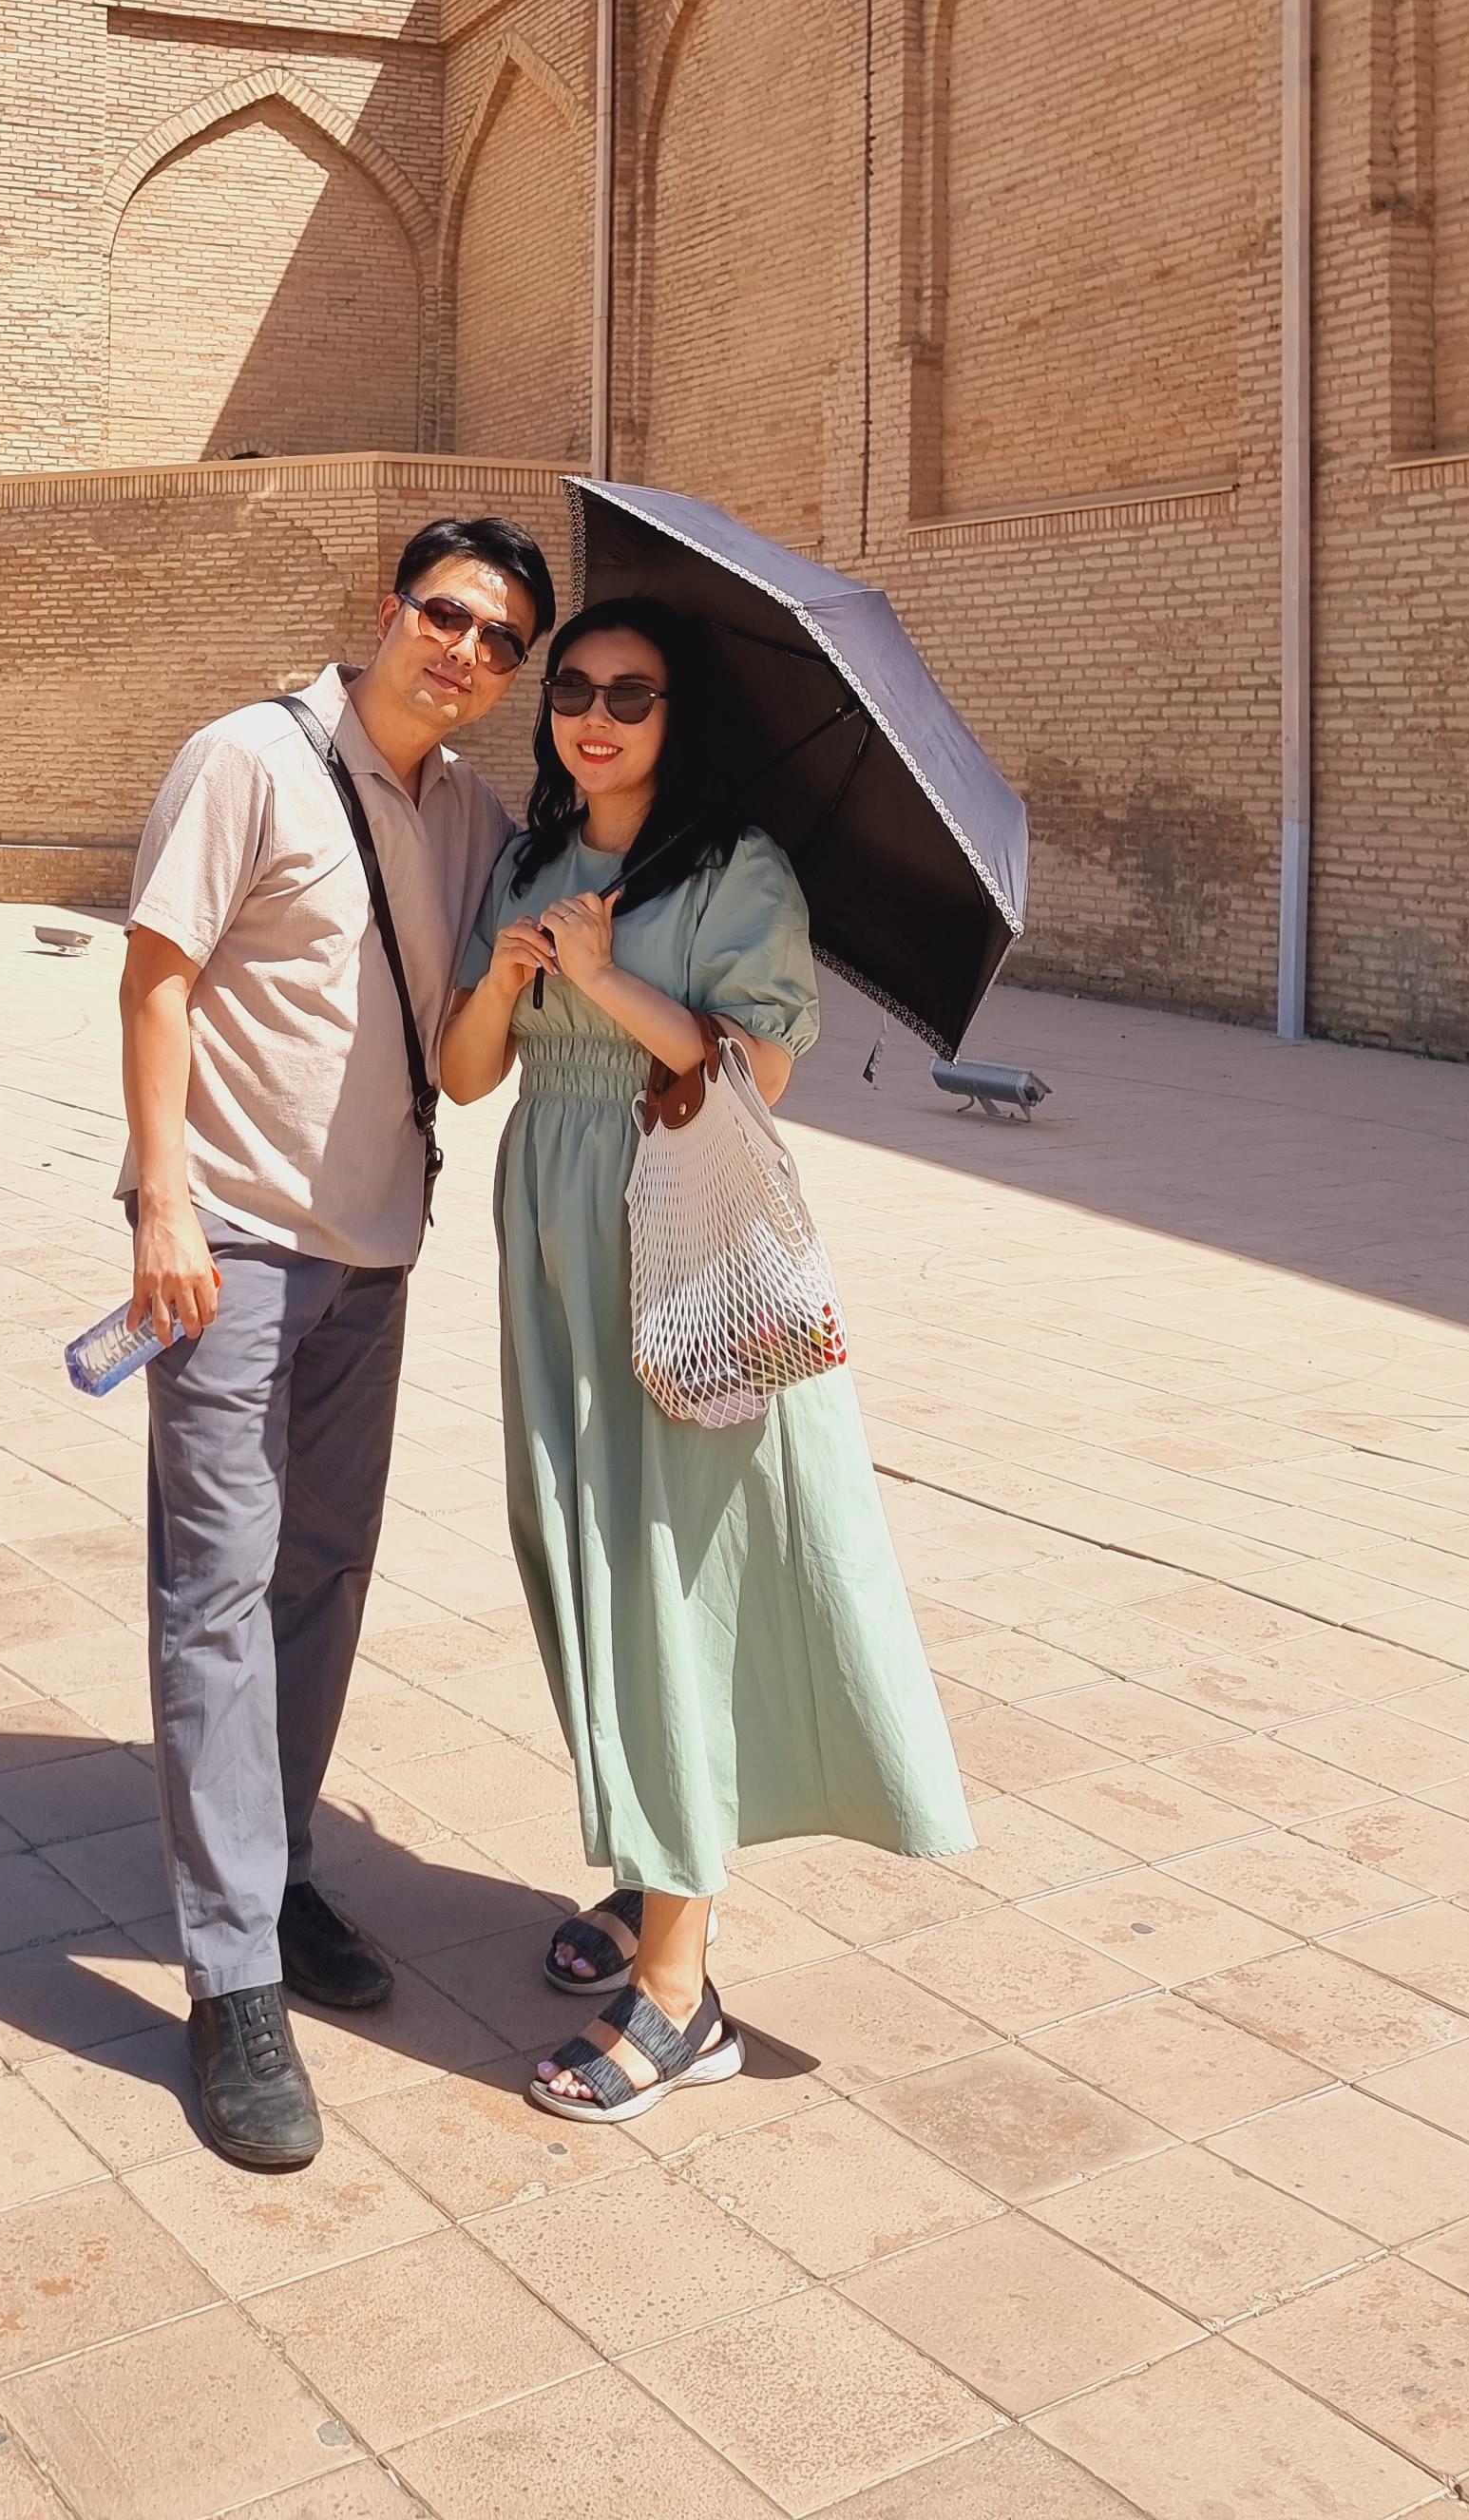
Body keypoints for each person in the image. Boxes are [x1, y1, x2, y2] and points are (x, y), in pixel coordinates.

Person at [439, 594, 974, 2124]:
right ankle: (649, 1864)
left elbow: (761, 1069)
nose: (595, 718)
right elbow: (467, 1079)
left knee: (670, 1574)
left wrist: (608, 977)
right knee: (582, 1555)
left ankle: (680, 1991)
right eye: (574, 690)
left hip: (676, 1255)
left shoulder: (739, 869)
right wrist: (509, 978)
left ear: (682, 721)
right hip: (552, 1252)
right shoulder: (529, 863)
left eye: (635, 694)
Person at [119, 510, 554, 2169]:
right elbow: (156, 979)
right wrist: (162, 1206)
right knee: (218, 1592)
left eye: (500, 642)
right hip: (229, 1246)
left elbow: (479, 1041)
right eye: (448, 615)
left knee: (321, 1579)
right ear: (388, 608)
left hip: (373, 1256)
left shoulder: (474, 819)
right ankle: (231, 1983)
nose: (466, 652)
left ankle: (279, 1867)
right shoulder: (248, 759)